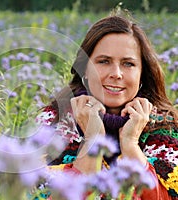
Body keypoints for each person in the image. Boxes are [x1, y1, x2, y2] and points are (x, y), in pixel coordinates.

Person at [33, 13, 178, 199]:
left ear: (142, 74)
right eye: (104, 61)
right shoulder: (52, 123)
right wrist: (93, 141)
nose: (116, 73)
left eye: (128, 64)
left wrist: (130, 144)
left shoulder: (166, 129)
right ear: (84, 69)